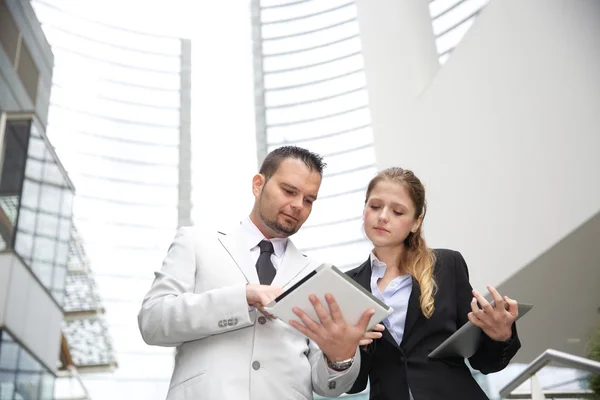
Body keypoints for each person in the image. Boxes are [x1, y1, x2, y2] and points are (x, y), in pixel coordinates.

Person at [138, 146, 373, 400]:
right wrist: (242, 298)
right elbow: (153, 321)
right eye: (289, 191)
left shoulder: (317, 274)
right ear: (258, 184)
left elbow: (327, 386)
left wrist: (339, 358)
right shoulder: (196, 242)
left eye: (309, 200)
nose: (297, 206)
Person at [346, 167, 522, 400]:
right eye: (375, 206)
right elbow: (354, 385)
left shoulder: (448, 265)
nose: (383, 216)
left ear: (416, 222)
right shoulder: (349, 284)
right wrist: (349, 348)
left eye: (398, 211)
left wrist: (500, 336)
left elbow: (484, 362)